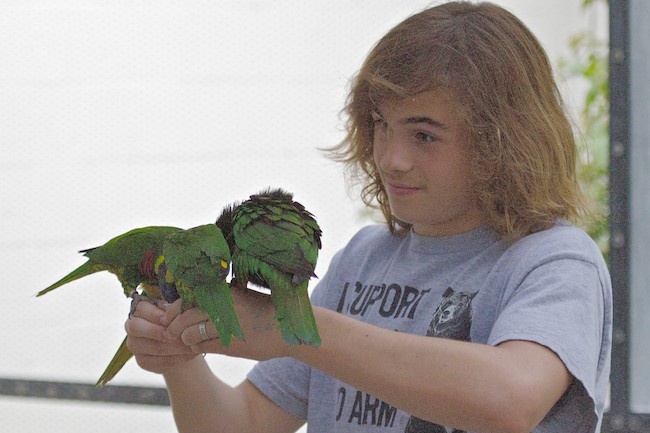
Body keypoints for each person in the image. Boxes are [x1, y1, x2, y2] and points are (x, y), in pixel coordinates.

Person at [125, 2, 612, 432]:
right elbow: (244, 424)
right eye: (381, 124)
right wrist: (178, 357)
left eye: (424, 135)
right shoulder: (363, 258)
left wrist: (294, 327)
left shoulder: (556, 260)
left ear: (503, 143)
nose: (390, 159)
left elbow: (512, 401)